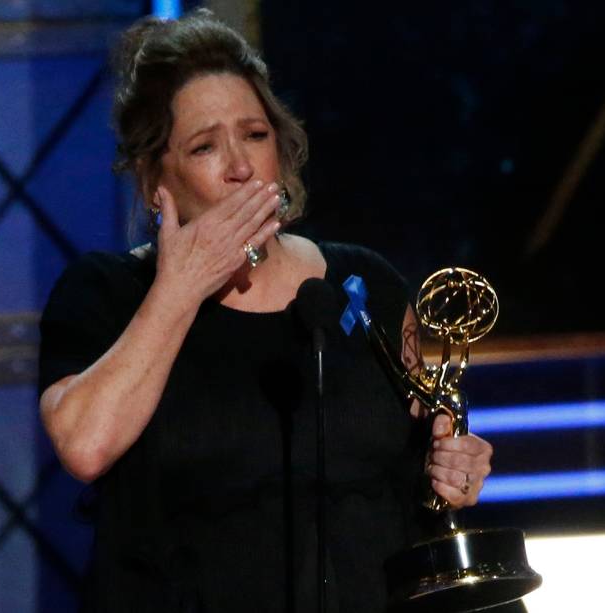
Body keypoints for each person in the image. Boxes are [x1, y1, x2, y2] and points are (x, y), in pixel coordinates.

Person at [38, 9, 493, 613]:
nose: (241, 167)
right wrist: (180, 289)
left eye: (255, 135)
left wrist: (454, 468)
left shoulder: (365, 283)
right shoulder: (107, 293)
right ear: (155, 183)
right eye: (205, 146)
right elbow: (85, 445)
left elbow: (422, 456)